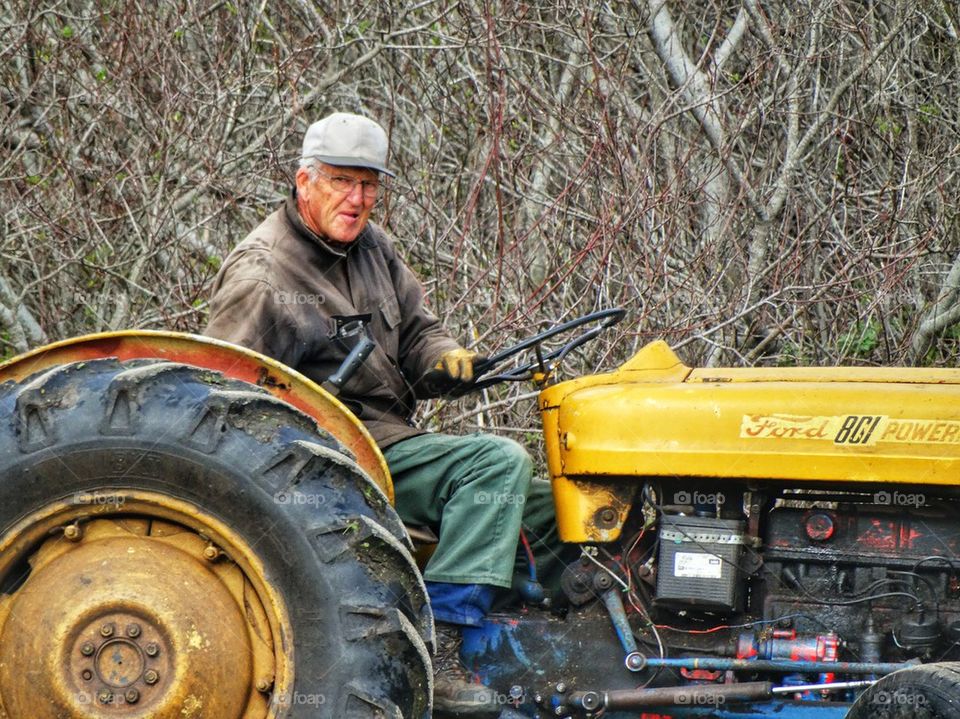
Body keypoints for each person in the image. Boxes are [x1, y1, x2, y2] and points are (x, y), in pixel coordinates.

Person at [205, 112, 561, 716]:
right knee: (494, 463)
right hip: (334, 458)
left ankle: (536, 649)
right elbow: (224, 399)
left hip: (392, 438)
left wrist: (447, 360)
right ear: (305, 182)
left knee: (552, 506)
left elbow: (420, 332)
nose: (358, 198)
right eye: (343, 181)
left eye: (369, 185)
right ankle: (445, 650)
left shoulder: (374, 249)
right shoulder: (265, 274)